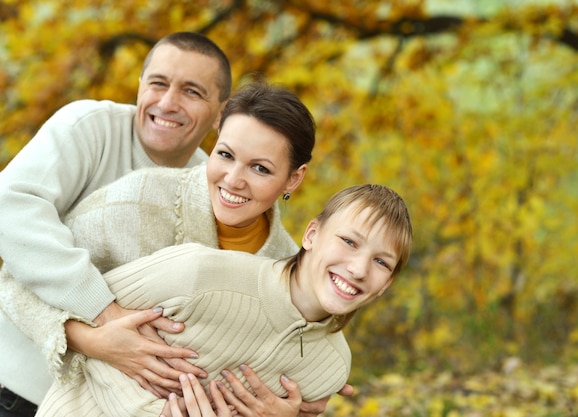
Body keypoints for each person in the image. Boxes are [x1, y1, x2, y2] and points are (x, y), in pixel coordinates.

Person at [0, 82, 350, 417]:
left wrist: (294, 404)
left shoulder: (286, 268)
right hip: (36, 400)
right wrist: (91, 339)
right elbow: (14, 283)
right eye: (225, 154)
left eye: (260, 168)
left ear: (293, 178)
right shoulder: (137, 201)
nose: (233, 179)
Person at [0, 31, 232, 417]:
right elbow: (10, 206)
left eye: (192, 92)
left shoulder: (216, 186)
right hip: (12, 390)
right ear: (140, 86)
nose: (168, 102)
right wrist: (103, 311)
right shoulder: (91, 127)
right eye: (158, 83)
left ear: (220, 114)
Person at [32, 184, 413, 417]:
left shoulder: (330, 367)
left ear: (386, 284)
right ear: (312, 234)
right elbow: (80, 320)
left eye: (381, 262)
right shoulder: (198, 273)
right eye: (349, 241)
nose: (360, 268)